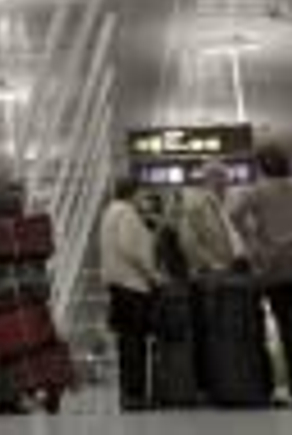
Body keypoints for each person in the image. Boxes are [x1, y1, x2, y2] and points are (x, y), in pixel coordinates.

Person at [229, 143, 292, 409]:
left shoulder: (257, 191)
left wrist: (253, 243)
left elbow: (234, 215)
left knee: (288, 327)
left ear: (262, 166)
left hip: (276, 266)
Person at [99, 176, 161, 413]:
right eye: (141, 194)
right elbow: (129, 247)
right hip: (132, 285)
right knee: (135, 343)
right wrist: (151, 274)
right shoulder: (126, 212)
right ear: (133, 192)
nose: (143, 199)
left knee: (127, 343)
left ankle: (128, 394)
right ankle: (136, 394)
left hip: (117, 284)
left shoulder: (110, 212)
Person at [175, 163, 242, 277]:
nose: (223, 182)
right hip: (210, 272)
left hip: (232, 267)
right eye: (219, 177)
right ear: (208, 180)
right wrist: (210, 264)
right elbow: (188, 240)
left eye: (224, 177)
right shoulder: (196, 205)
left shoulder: (228, 204)